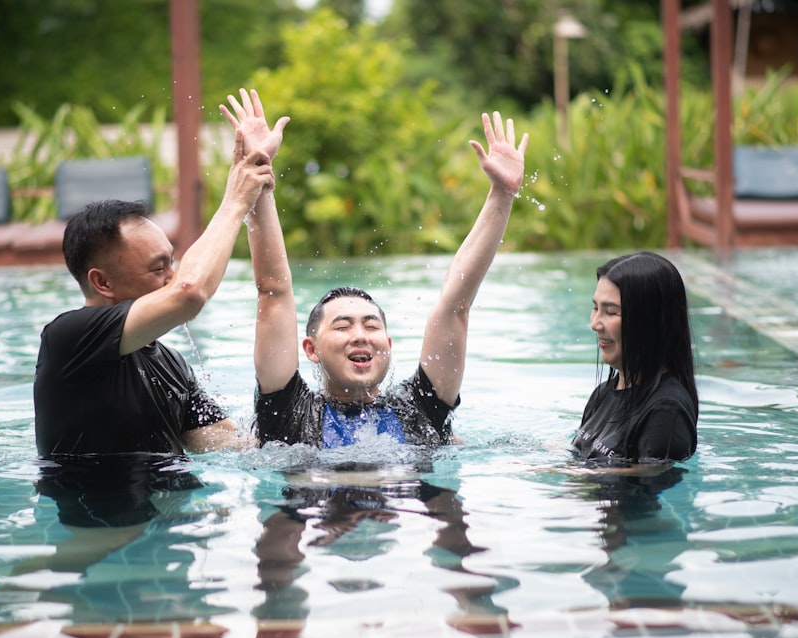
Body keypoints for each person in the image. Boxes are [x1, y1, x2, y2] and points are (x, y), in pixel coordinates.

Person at [220, 88, 528, 448]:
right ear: (310, 349)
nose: (361, 335)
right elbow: (273, 290)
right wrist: (258, 174)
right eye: (342, 326)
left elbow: (455, 304)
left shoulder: (419, 411)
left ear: (388, 343)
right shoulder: (290, 414)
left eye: (371, 325)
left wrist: (502, 196)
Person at [33, 124, 276, 457]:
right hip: (98, 508)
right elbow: (189, 292)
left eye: (172, 263)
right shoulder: (67, 340)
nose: (173, 277)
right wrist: (235, 201)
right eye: (158, 268)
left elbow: (234, 448)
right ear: (102, 282)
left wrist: (260, 188)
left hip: (176, 508)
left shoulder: (172, 364)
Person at [571, 251, 698, 463]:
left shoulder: (666, 410)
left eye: (611, 312)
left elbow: (647, 484)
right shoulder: (602, 394)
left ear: (649, 322)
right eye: (595, 308)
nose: (595, 323)